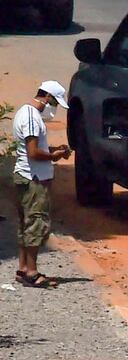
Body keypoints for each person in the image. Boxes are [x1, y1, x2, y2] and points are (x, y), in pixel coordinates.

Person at [12, 81, 71, 288]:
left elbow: (36, 147)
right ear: (47, 97)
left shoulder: (27, 114)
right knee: (36, 224)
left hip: (26, 176)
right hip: (34, 179)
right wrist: (53, 156)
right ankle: (31, 271)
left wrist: (54, 150)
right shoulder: (31, 117)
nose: (54, 108)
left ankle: (22, 268)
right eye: (54, 102)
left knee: (26, 224)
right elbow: (33, 153)